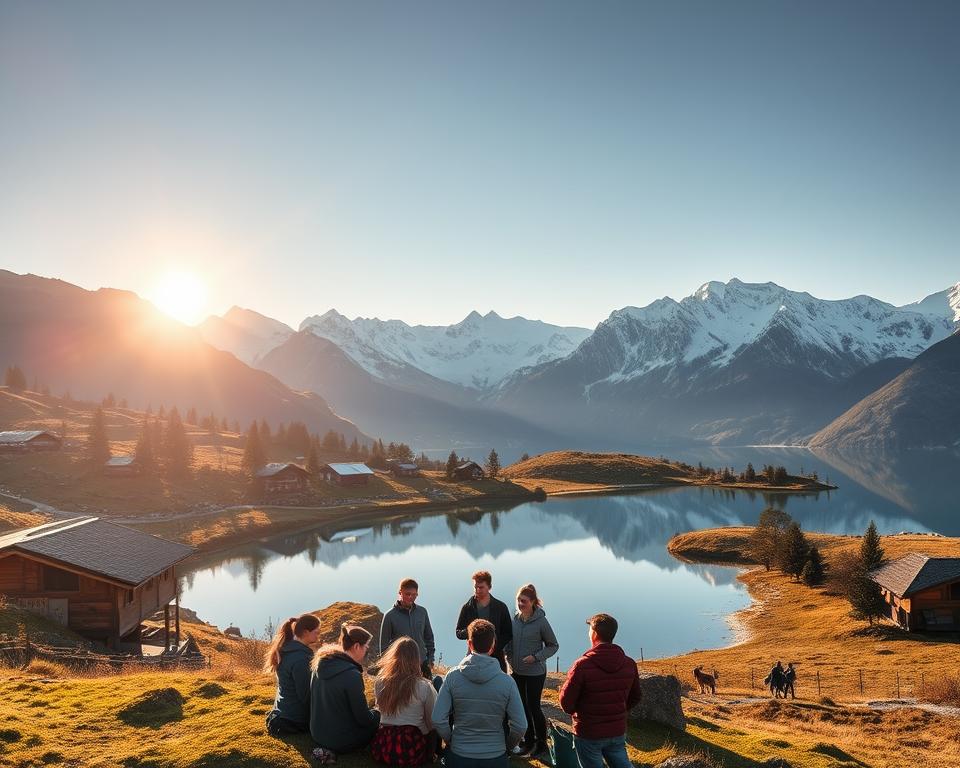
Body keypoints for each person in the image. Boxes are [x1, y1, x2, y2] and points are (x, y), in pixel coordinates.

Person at [432, 619, 527, 768]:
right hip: (495, 756)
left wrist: (451, 740)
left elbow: (438, 718)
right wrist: (507, 746)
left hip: (459, 754)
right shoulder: (507, 682)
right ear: (493, 646)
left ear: (469, 644)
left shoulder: (452, 677)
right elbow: (521, 725)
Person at [558, 614, 641, 768]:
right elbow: (636, 696)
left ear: (594, 634)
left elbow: (566, 704)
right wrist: (619, 711)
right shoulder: (629, 663)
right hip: (616, 730)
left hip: (588, 732)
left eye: (590, 629)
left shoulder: (582, 665)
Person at [310, 623, 381, 760]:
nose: (366, 650)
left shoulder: (319, 664)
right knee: (377, 720)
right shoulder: (352, 675)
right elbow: (364, 719)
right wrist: (378, 712)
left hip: (317, 734)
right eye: (366, 647)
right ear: (356, 646)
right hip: (341, 742)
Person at [504, 584, 559, 758]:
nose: (520, 604)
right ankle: (528, 741)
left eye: (524, 601)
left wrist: (535, 657)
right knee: (521, 707)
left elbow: (553, 645)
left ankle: (541, 744)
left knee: (534, 707)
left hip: (535, 672)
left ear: (533, 602)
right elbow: (509, 643)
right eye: (518, 600)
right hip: (517, 671)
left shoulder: (541, 621)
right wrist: (509, 657)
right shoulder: (515, 619)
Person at [372, 637, 440, 766]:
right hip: (410, 745)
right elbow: (432, 723)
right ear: (416, 659)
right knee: (432, 728)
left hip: (385, 744)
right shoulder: (424, 686)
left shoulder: (380, 682)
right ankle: (432, 755)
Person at [263, 613, 321, 736]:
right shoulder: (301, 659)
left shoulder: (286, 649)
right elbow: (306, 696)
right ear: (306, 632)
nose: (318, 635)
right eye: (316, 632)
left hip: (282, 713)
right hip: (293, 721)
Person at [455, 570, 512, 673]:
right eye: (475, 587)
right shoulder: (467, 608)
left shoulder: (500, 607)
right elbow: (458, 632)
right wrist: (472, 630)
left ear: (489, 587)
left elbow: (508, 633)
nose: (477, 590)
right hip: (473, 657)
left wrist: (494, 646)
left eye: (481, 587)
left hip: (496, 657)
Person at [381, 578, 436, 678]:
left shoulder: (422, 612)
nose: (411, 597)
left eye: (414, 595)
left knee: (428, 688)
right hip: (400, 668)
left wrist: (430, 659)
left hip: (423, 665)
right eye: (407, 594)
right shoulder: (389, 616)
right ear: (400, 592)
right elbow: (384, 647)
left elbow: (429, 638)